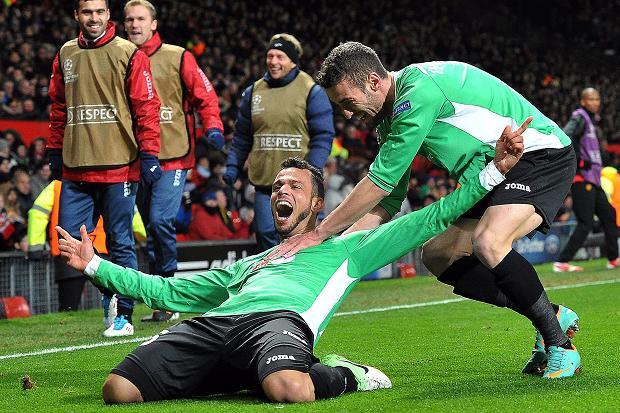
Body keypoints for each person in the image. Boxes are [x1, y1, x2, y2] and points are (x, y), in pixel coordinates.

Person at [55, 130, 524, 403]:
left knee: (290, 390)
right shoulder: (251, 264)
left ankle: (347, 374)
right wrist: (95, 265)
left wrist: (494, 172)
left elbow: (431, 218)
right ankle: (237, 371)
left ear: (318, 204)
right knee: (117, 391)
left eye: (295, 187)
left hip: (280, 324)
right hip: (216, 325)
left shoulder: (348, 248)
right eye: (278, 185)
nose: (282, 191)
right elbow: (168, 293)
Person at [265, 42, 581, 379]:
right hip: (491, 173)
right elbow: (387, 201)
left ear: (373, 82)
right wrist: (336, 250)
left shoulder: (418, 90)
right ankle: (551, 313)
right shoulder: (388, 121)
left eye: (347, 102)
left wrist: (318, 233)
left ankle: (558, 344)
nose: (346, 113)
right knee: (438, 254)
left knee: (490, 241)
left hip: (537, 154)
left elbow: (380, 182)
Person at [47, 0, 161, 336]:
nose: (93, 18)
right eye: (87, 12)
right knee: (69, 243)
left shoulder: (128, 53)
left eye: (99, 12)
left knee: (121, 242)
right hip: (76, 169)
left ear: (108, 15)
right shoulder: (65, 54)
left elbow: (147, 108)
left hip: (118, 167)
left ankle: (124, 315)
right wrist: (54, 148)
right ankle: (109, 292)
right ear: (76, 16)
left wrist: (150, 153)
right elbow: (57, 106)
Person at [123, 0, 225, 322]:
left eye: (141, 19)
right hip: (134, 158)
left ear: (153, 24)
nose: (135, 25)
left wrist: (213, 127)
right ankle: (159, 299)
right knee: (150, 231)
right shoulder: (119, 56)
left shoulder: (178, 56)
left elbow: (205, 96)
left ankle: (168, 297)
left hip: (173, 158)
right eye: (129, 20)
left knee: (159, 221)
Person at [224, 33, 334, 251]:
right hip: (266, 182)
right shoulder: (253, 92)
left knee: (299, 237)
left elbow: (323, 135)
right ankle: (273, 282)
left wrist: (312, 169)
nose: (274, 61)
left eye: (280, 57)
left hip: (298, 184)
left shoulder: (311, 90)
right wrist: (232, 165)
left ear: (292, 61)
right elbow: (242, 136)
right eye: (270, 56)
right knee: (265, 233)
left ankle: (303, 281)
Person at [27, 179, 146, 312]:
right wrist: (143, 238)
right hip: (101, 249)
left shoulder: (57, 185)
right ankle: (116, 315)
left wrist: (35, 245)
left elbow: (38, 213)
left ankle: (71, 320)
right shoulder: (113, 182)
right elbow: (128, 212)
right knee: (109, 292)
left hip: (69, 249)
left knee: (69, 305)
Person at [553, 88, 620, 272]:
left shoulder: (591, 122)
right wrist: (580, 162)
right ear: (583, 101)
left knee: (609, 215)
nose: (595, 102)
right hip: (582, 180)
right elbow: (566, 135)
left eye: (597, 99)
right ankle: (562, 262)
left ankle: (613, 258)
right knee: (586, 223)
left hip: (593, 180)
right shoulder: (580, 117)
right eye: (590, 99)